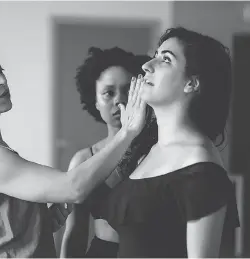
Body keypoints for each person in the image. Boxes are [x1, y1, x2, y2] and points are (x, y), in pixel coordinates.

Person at [0, 41, 147, 258]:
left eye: (0, 69)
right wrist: (128, 131)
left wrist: (40, 221)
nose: (2, 80)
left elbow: (1, 230)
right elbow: (74, 187)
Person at [97, 27, 239, 258]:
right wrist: (128, 131)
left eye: (165, 59)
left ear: (191, 83)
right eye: (155, 54)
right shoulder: (147, 151)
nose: (146, 66)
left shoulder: (200, 165)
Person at [60, 47, 157, 258]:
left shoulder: (158, 152)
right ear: (95, 101)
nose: (119, 100)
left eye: (127, 90)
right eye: (108, 93)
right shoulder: (85, 159)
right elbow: (75, 232)